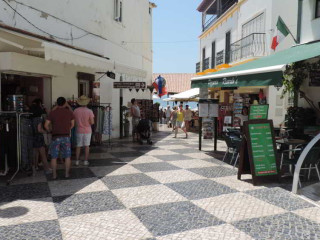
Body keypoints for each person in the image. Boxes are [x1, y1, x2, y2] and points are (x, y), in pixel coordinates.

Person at [45, 97, 74, 179]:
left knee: (54, 157)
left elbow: (46, 125)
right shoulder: (69, 112)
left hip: (55, 136)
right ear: (65, 103)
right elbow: (72, 124)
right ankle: (66, 174)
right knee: (67, 156)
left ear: (57, 103)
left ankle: (54, 175)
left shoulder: (53, 113)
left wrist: (50, 130)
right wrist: (68, 129)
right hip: (66, 136)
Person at [30, 98, 51, 175]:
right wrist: (46, 131)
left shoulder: (30, 118)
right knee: (43, 154)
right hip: (39, 137)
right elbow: (39, 130)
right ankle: (47, 169)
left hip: (33, 137)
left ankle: (34, 167)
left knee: (34, 153)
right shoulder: (39, 119)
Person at [73, 96, 94, 166]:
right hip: (87, 130)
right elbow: (92, 122)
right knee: (87, 146)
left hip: (79, 130)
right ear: (87, 103)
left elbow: (74, 121)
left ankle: (77, 161)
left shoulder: (75, 111)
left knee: (78, 146)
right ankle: (85, 161)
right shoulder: (89, 111)